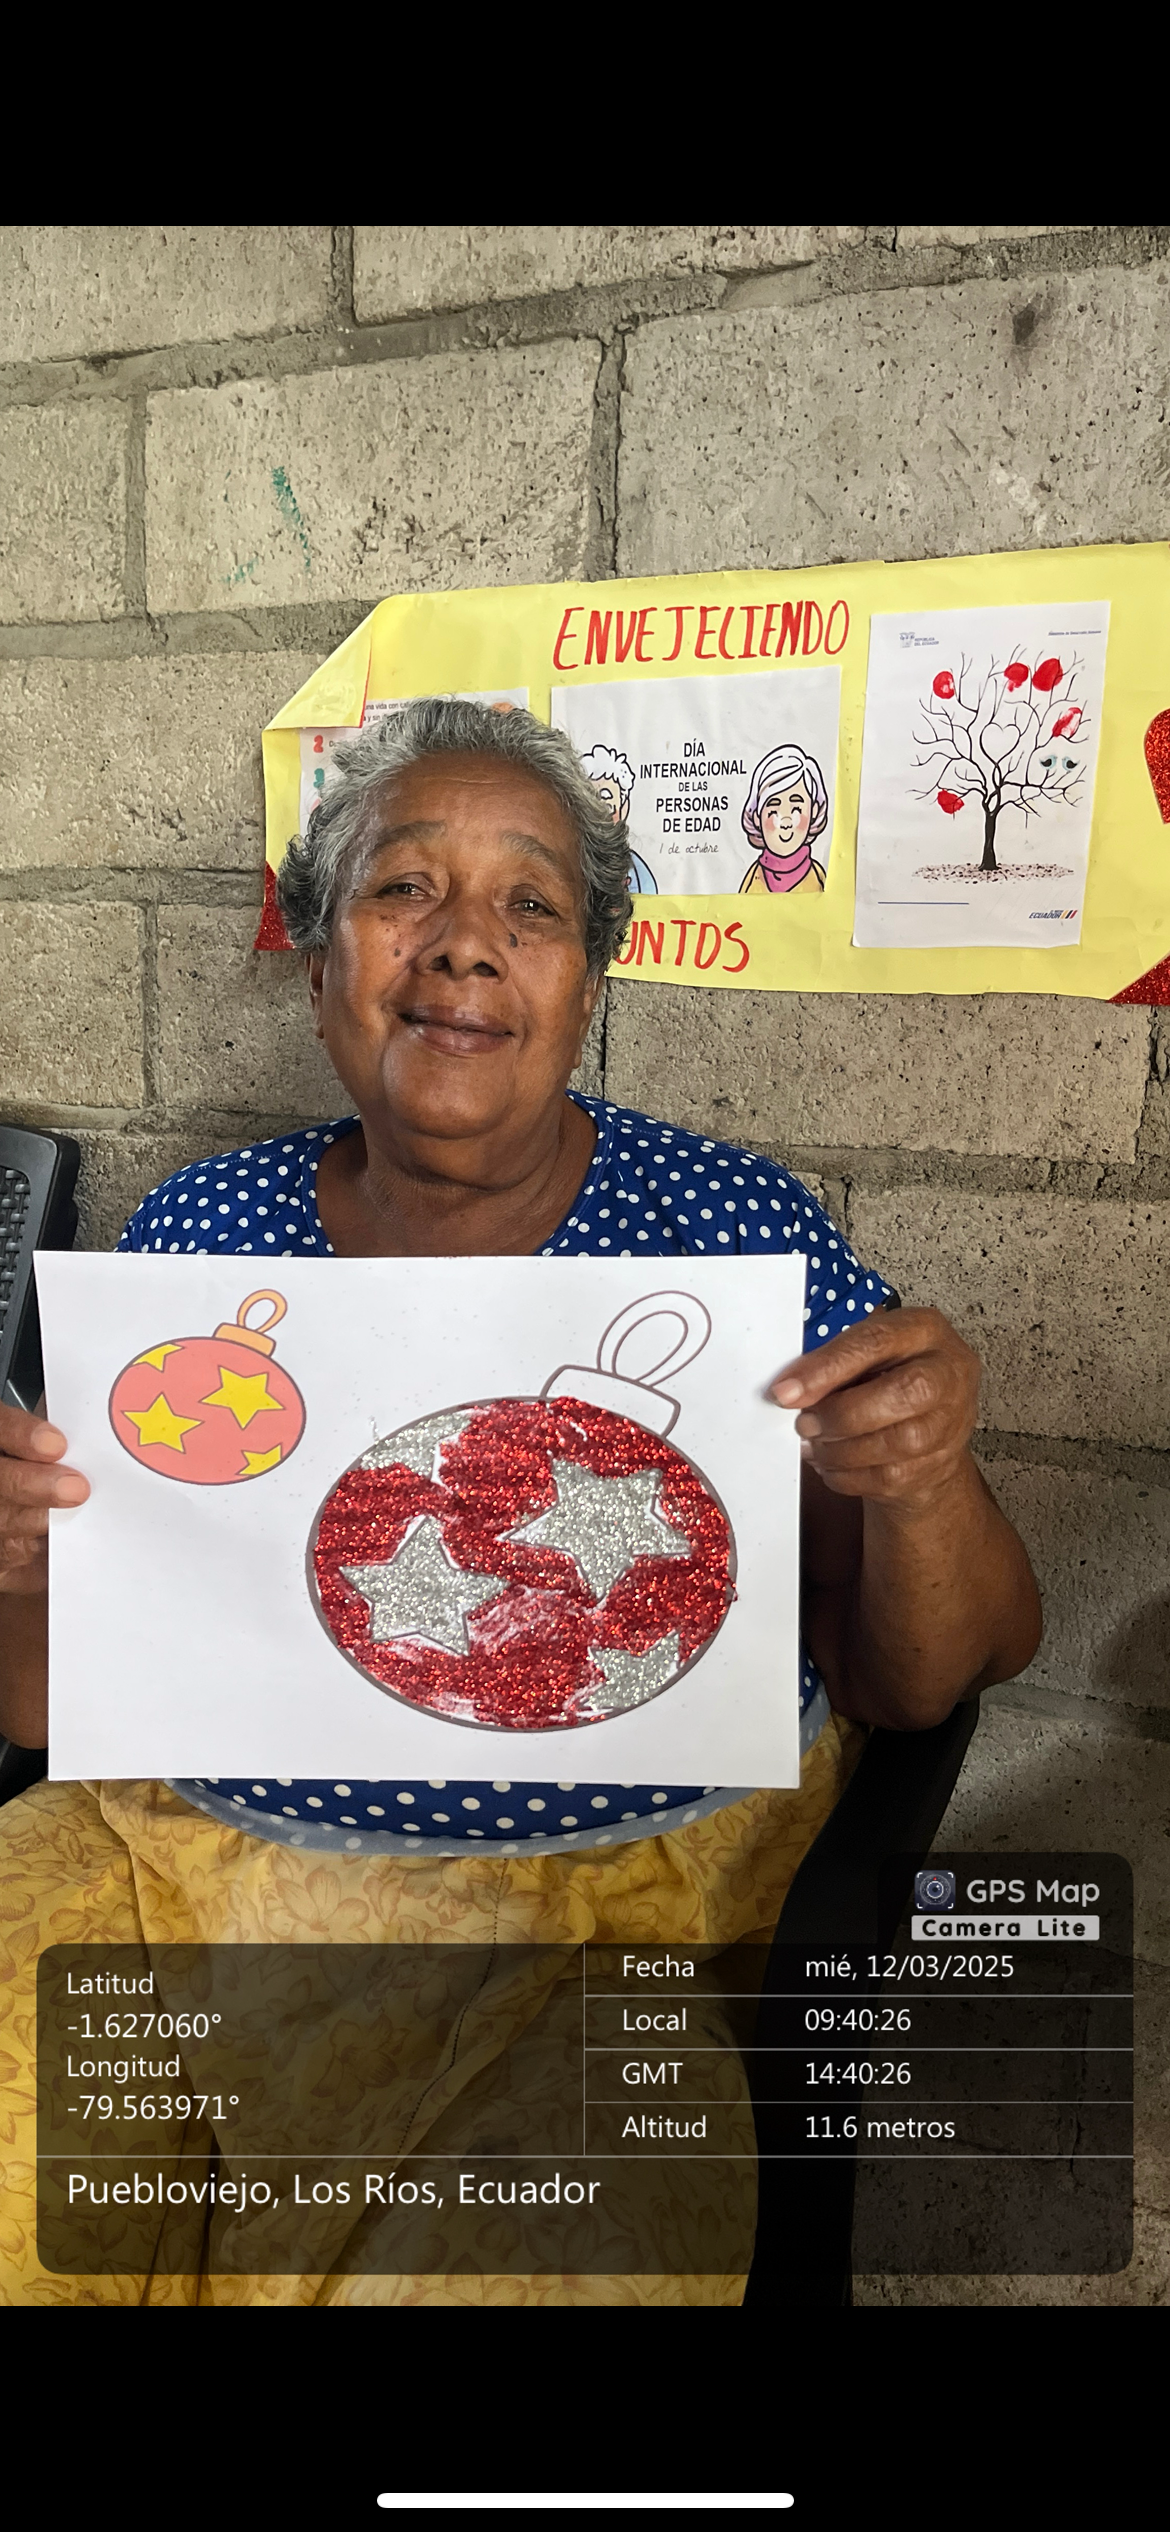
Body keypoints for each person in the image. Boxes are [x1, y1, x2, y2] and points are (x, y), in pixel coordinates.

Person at [0, 699, 1040, 2304]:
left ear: (587, 981)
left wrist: (919, 1478)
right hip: (171, 1877)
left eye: (530, 905)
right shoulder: (200, 1236)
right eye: (401, 888)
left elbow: (929, 1678)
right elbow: (46, 1702)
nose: (464, 945)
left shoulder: (730, 1235)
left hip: (600, 1923)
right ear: (323, 959)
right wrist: (16, 1562)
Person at [740, 742, 829, 894]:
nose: (785, 821)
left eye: (796, 808)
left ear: (813, 811)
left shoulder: (819, 879)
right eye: (774, 809)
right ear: (757, 817)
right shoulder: (753, 880)